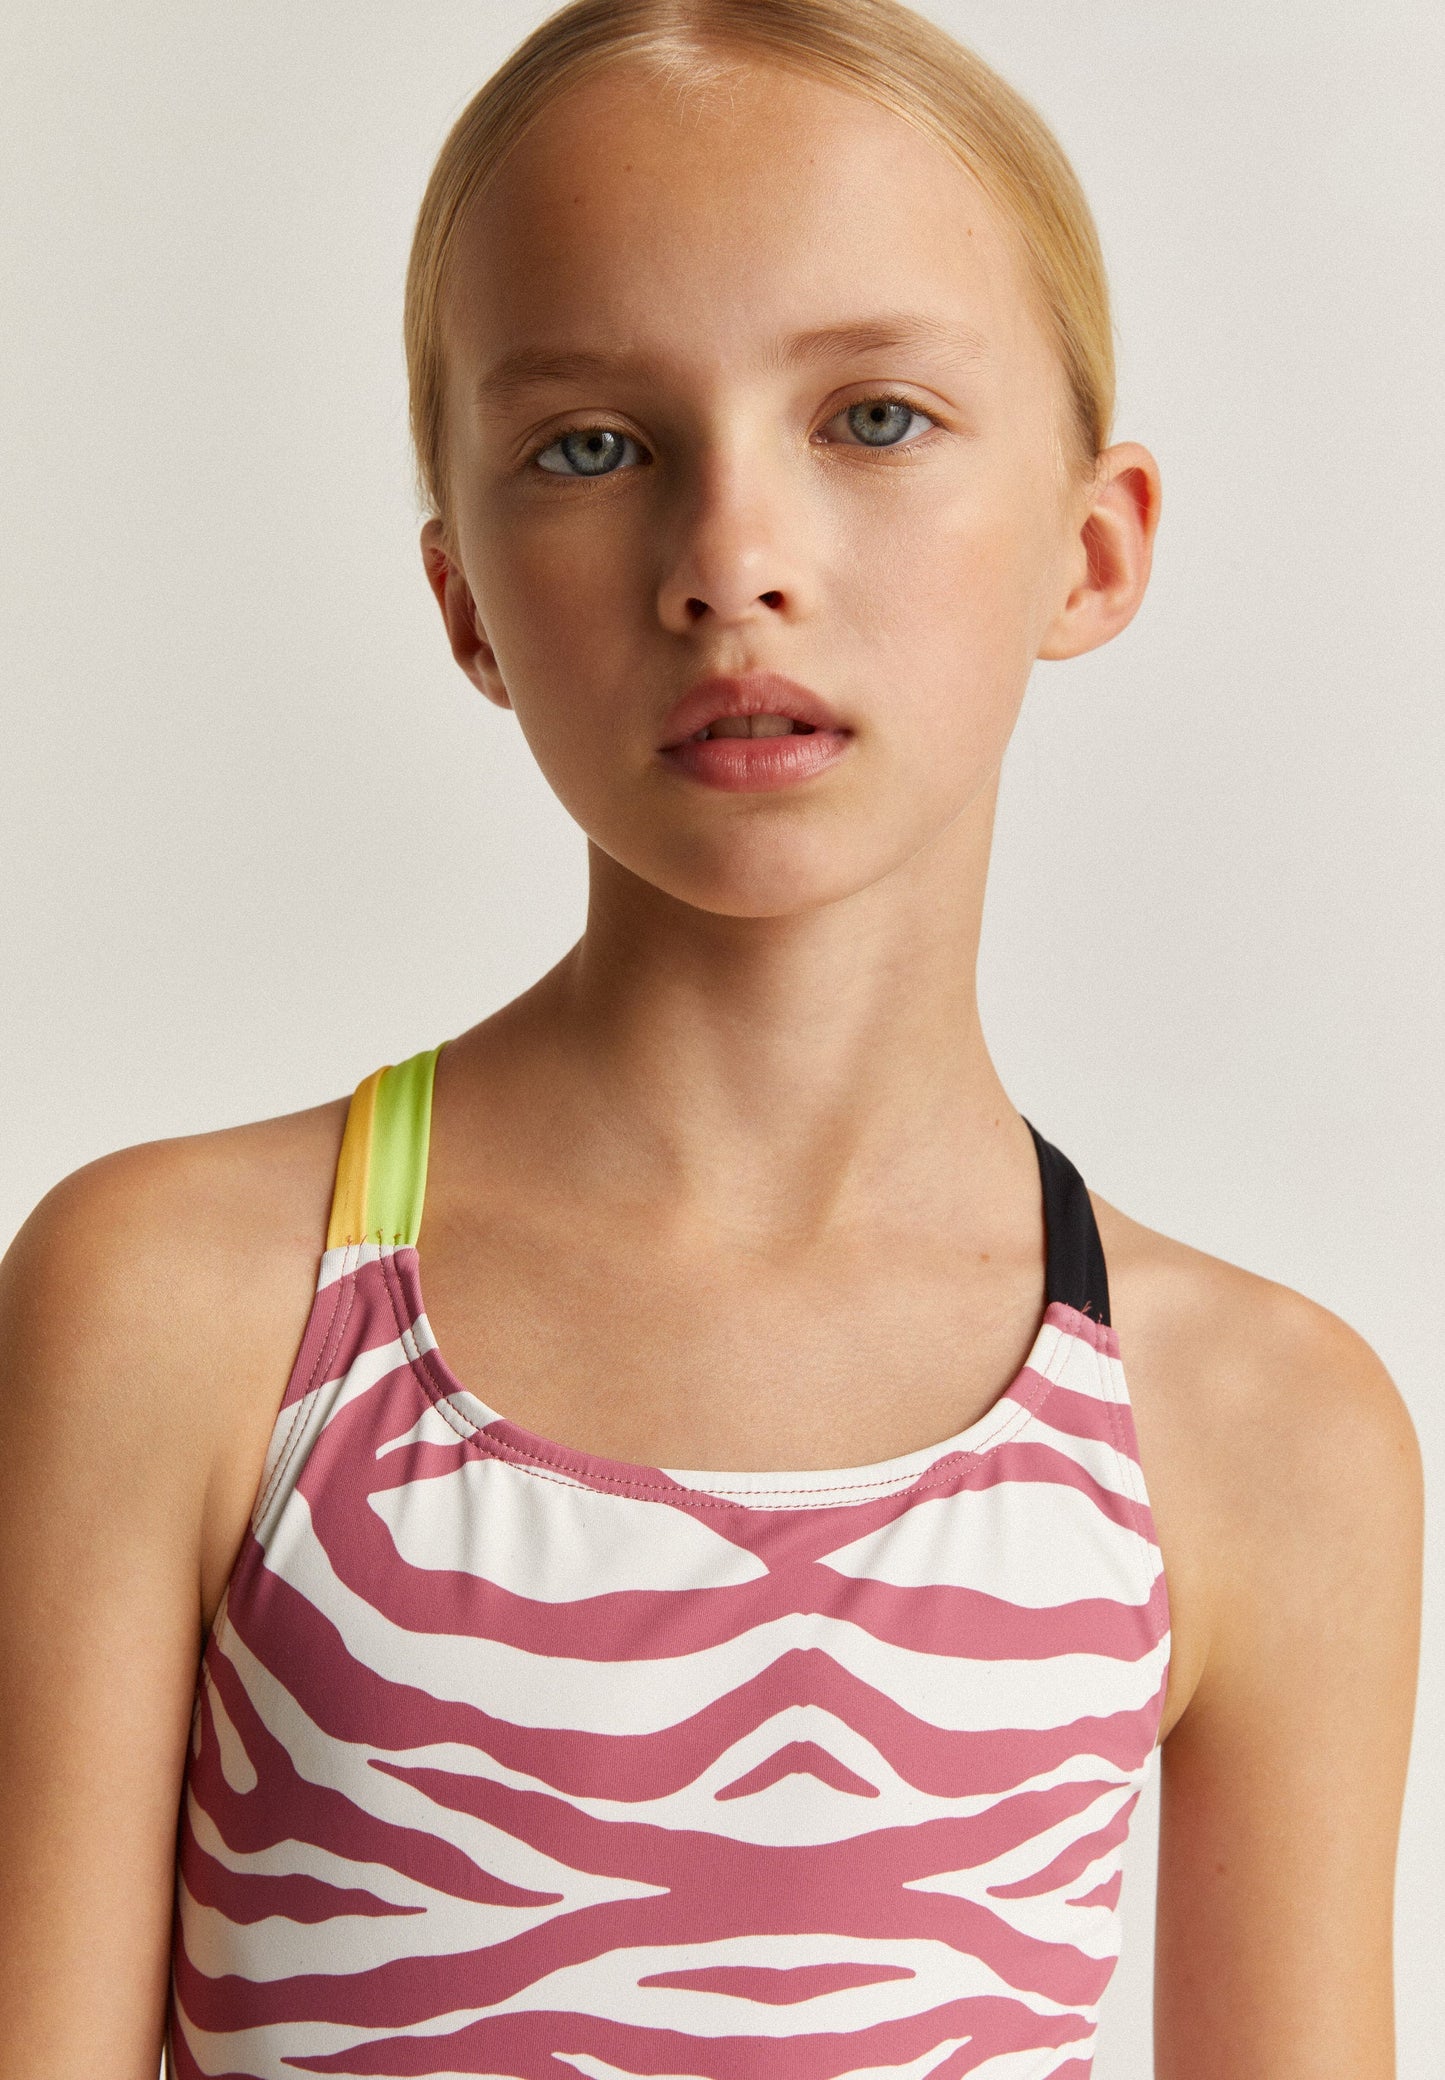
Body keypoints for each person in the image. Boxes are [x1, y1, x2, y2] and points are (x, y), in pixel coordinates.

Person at [0, 2, 1423, 2075]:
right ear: (466, 602)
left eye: (874, 418)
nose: (732, 563)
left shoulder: (1259, 1433)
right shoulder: (180, 1309)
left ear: (1092, 545)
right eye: (593, 445)